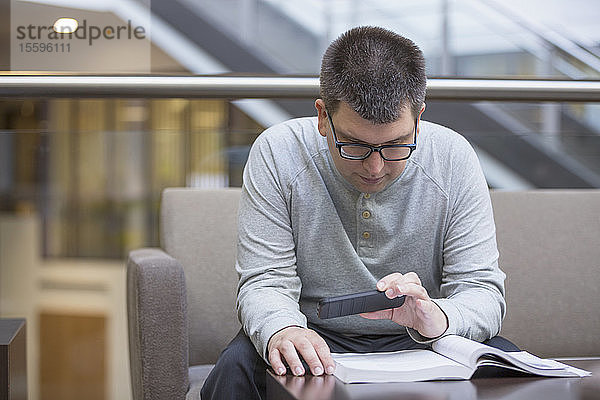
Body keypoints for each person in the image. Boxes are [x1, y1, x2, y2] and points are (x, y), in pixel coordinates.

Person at [201, 26, 513, 400]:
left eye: (397, 145)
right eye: (355, 145)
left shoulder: (453, 158)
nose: (375, 167)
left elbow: (481, 290)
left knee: (511, 369)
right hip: (310, 333)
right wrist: (283, 329)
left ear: (419, 118)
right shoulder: (278, 152)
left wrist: (438, 319)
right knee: (236, 368)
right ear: (322, 117)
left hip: (424, 338)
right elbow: (266, 279)